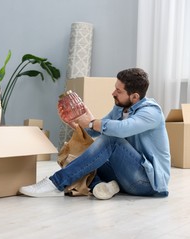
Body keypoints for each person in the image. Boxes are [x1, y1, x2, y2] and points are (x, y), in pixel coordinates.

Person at [19, 68, 171, 200]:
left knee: (112, 140)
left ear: (135, 96)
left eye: (119, 91)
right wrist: (75, 123)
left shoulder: (151, 112)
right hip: (126, 175)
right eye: (115, 88)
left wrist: (91, 122)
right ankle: (102, 186)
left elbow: (122, 129)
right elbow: (96, 129)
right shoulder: (120, 108)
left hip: (146, 182)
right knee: (83, 152)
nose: (113, 93)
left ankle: (55, 183)